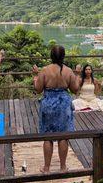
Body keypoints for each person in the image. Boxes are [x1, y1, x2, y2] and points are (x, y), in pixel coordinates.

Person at [33, 45, 80, 173]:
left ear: (51, 56)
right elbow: (75, 89)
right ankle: (63, 167)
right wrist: (76, 75)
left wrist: (35, 77)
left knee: (48, 136)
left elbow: (38, 89)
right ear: (63, 56)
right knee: (63, 136)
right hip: (64, 104)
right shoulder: (68, 71)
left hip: (48, 103)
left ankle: (47, 168)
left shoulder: (45, 70)